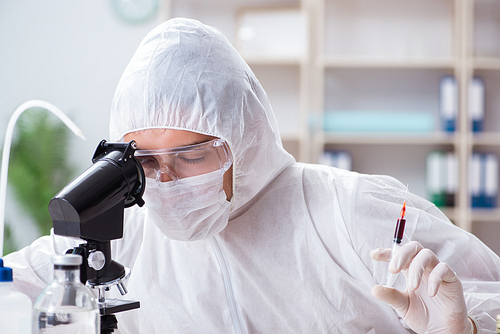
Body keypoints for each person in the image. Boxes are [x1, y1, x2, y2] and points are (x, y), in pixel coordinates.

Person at [5, 18, 500, 333]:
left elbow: (488, 298)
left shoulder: (349, 212)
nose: (168, 181)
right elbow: (16, 282)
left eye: (192, 156)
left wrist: (465, 332)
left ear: (245, 136)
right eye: (148, 163)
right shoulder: (121, 238)